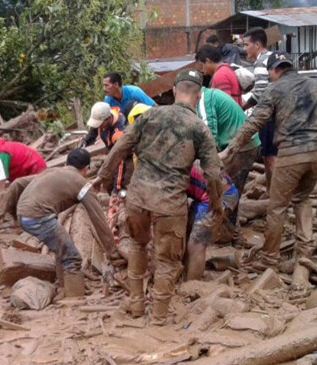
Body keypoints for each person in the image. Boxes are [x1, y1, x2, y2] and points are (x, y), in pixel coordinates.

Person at [95, 69, 223, 324]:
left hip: (138, 198)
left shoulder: (149, 115)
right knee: (166, 261)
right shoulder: (199, 129)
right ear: (198, 96)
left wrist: (103, 175)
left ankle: (136, 306)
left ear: (175, 91)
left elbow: (121, 146)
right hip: (169, 204)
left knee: (138, 246)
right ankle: (159, 318)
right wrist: (217, 204)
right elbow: (213, 174)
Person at [226, 52, 317, 271]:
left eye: (269, 73)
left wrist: (232, 147)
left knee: (277, 207)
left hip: (292, 153)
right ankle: (304, 252)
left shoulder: (274, 89)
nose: (270, 77)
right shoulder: (316, 86)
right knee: (302, 199)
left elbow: (255, 121)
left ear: (275, 70)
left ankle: (269, 259)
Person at [0, 149, 124, 298]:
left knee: (61, 248)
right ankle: (74, 298)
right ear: (86, 169)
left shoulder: (51, 172)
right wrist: (113, 253)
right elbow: (99, 220)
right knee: (72, 258)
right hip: (39, 217)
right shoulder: (81, 183)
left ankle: (63, 288)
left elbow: (17, 184)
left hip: (24, 215)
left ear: (67, 163)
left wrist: (3, 213)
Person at [196, 86, 259, 244]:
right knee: (230, 188)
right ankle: (230, 233)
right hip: (243, 144)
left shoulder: (204, 99)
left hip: (240, 147)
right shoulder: (210, 95)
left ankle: (230, 235)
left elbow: (209, 134)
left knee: (227, 189)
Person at [82, 102, 133, 258]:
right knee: (109, 183)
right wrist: (86, 142)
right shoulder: (105, 116)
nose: (99, 127)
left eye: (100, 124)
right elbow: (93, 130)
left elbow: (120, 162)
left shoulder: (119, 132)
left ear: (107, 120)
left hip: (126, 157)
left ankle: (121, 215)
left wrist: (117, 188)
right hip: (112, 154)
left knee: (121, 187)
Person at [184, 163, 239, 280]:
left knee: (196, 243)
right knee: (186, 234)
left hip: (220, 196)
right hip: (203, 195)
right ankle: (185, 274)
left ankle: (191, 285)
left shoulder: (168, 173)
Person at [241, 27, 277, 189]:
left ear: (256, 45)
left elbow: (261, 92)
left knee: (270, 157)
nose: (244, 49)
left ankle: (275, 193)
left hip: (270, 115)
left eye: (246, 45)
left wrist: (242, 107)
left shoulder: (261, 62)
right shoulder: (274, 58)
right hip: (285, 112)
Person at [80, 72, 155, 147]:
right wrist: (87, 139)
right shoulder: (108, 99)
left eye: (106, 85)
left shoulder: (135, 92)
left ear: (116, 84)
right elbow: (102, 119)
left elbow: (155, 108)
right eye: (103, 85)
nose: (104, 89)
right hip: (125, 130)